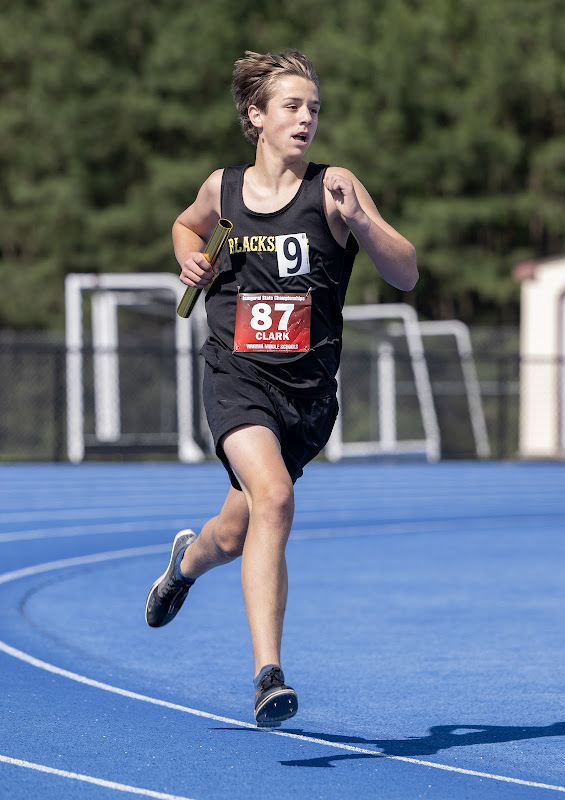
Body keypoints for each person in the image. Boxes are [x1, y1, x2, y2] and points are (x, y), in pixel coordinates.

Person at [145, 49, 417, 728]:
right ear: (256, 117)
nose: (306, 119)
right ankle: (268, 675)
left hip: (307, 393)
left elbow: (406, 272)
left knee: (237, 531)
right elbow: (187, 224)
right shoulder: (223, 188)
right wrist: (187, 253)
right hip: (237, 376)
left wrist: (361, 223)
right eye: (292, 107)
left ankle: (184, 563)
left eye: (314, 108)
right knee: (275, 498)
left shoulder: (334, 187)